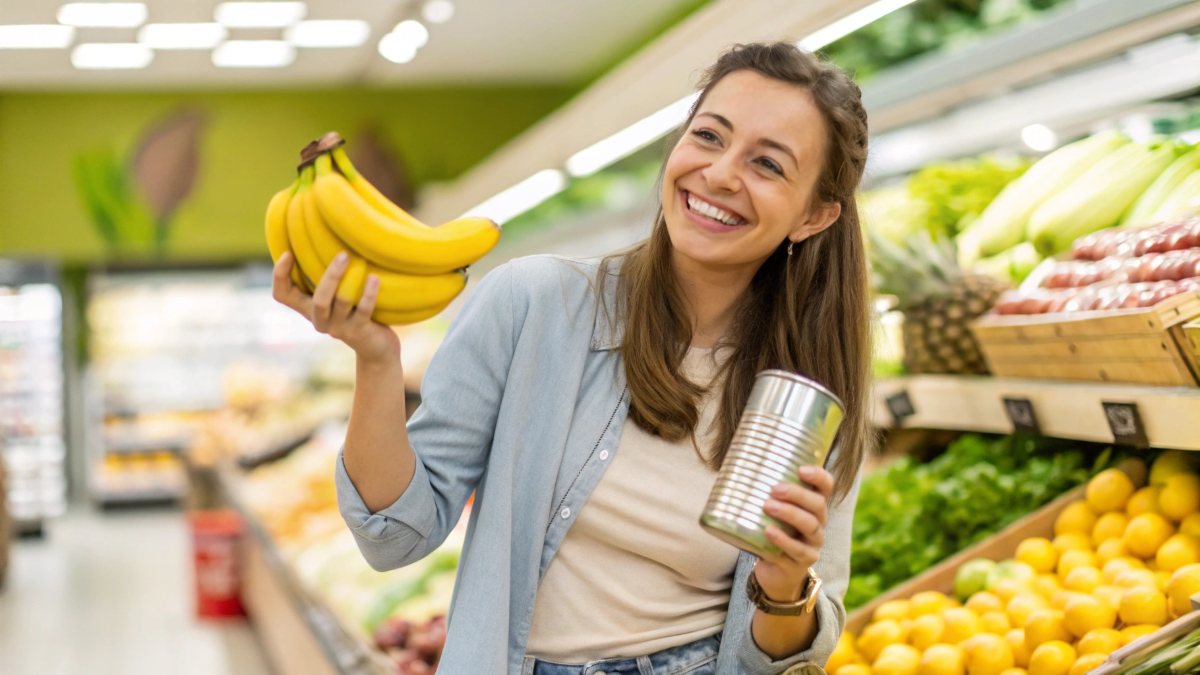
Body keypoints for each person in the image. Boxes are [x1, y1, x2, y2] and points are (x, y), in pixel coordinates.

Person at [272, 41, 872, 675]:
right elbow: (394, 534)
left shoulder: (805, 397)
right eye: (708, 136)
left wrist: (785, 590)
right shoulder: (532, 304)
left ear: (814, 216)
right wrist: (376, 360)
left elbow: (775, 660)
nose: (721, 174)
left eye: (768, 165)